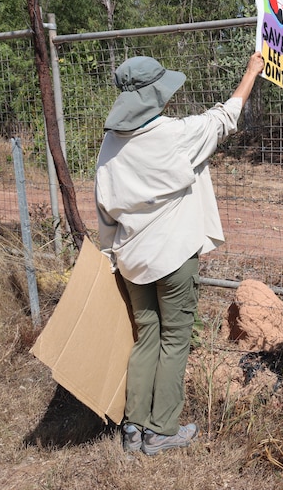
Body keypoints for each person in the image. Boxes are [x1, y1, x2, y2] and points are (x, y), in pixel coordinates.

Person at [95, 51, 264, 455]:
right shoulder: (174, 135)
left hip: (132, 260)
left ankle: (133, 427)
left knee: (146, 337)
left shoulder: (109, 145)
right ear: (155, 94)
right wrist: (251, 73)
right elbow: (224, 117)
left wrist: (108, 253)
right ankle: (162, 430)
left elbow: (104, 207)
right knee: (174, 339)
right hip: (173, 257)